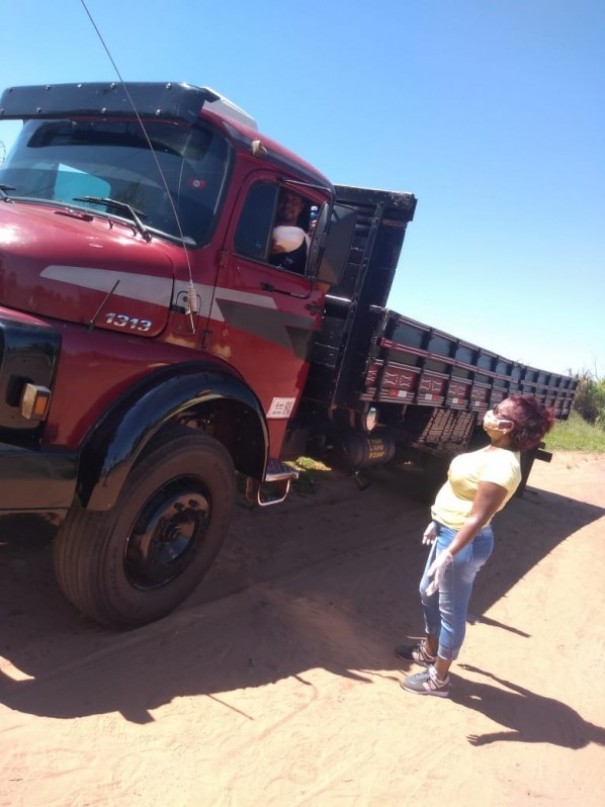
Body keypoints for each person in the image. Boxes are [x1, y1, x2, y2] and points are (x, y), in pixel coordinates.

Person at [397, 394, 556, 697]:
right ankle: (429, 651)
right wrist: (438, 519)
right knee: (425, 593)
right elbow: (461, 490)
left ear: (509, 426)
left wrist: (450, 553)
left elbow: (477, 518)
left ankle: (438, 680)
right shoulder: (492, 448)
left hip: (463, 543)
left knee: (451, 611)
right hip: (447, 532)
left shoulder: (504, 467)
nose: (490, 413)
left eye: (498, 411)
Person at [269, 189, 310, 273]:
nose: (287, 204)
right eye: (283, 198)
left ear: (301, 206)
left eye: (294, 200)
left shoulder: (307, 242)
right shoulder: (261, 229)